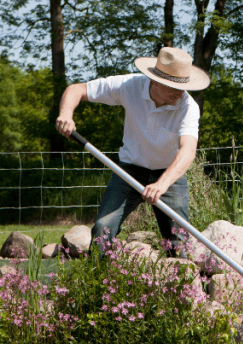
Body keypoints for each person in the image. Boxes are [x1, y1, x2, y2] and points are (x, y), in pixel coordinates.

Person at [55, 47, 210, 255]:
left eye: (184, 86)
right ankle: (99, 282)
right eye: (174, 86)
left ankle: (182, 286)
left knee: (179, 242)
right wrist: (66, 114)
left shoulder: (188, 107)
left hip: (168, 174)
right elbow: (77, 89)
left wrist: (161, 184)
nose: (180, 92)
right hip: (129, 171)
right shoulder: (129, 86)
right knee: (103, 228)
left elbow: (188, 150)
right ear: (155, 80)